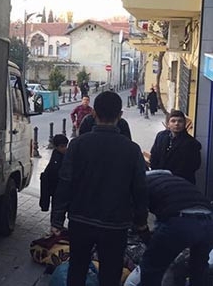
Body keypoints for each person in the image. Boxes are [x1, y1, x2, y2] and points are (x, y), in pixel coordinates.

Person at [51, 91, 148, 286]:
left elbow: (65, 183)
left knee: (77, 269)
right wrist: (140, 221)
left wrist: (57, 219)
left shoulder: (77, 145)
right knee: (111, 272)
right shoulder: (132, 149)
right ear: (120, 115)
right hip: (116, 223)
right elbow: (140, 189)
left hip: (80, 219)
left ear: (94, 114)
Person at [139, 170, 213, 286]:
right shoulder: (178, 180)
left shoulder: (142, 182)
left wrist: (144, 233)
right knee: (198, 269)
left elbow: (139, 212)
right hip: (209, 222)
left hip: (181, 223)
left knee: (152, 266)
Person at [149, 110, 201, 184]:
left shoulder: (192, 144)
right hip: (159, 179)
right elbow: (154, 156)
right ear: (168, 124)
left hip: (181, 182)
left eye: (180, 121)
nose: (176, 124)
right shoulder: (161, 136)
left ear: (184, 124)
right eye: (173, 121)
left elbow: (193, 166)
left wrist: (171, 177)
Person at [39, 134, 69, 212]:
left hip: (58, 190)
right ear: (56, 147)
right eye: (62, 146)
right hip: (57, 190)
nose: (65, 148)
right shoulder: (56, 160)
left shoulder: (60, 156)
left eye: (66, 146)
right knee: (57, 210)